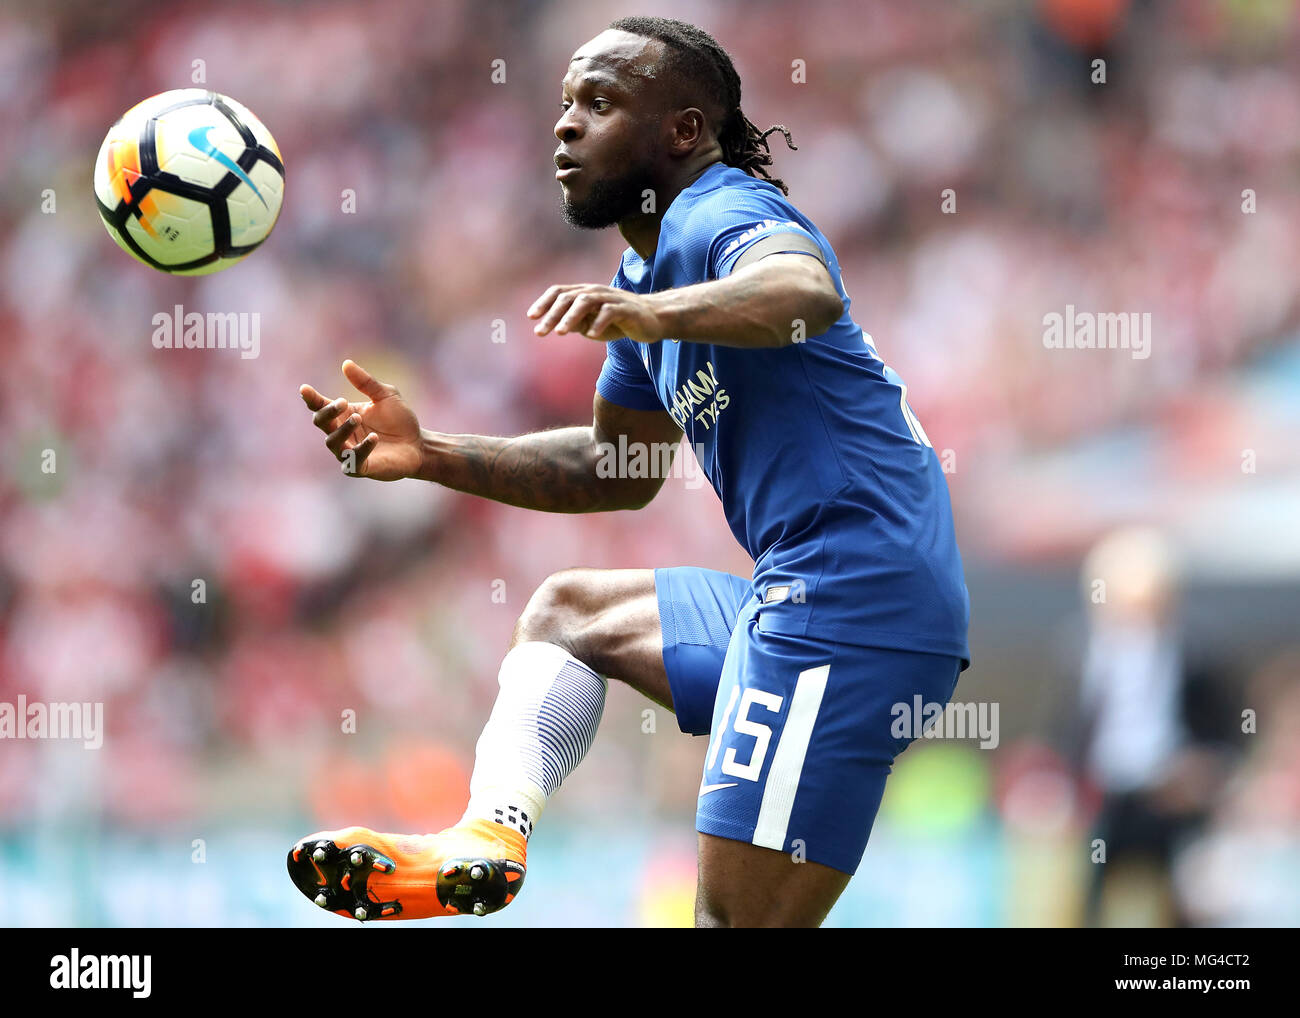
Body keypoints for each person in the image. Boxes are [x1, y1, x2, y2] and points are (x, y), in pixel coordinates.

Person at [287, 16, 969, 928]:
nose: (565, 125)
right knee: (570, 615)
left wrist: (652, 317)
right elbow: (621, 465)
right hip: (803, 596)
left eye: (600, 102)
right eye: (566, 103)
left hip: (852, 603)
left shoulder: (721, 213)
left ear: (684, 131)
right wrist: (434, 456)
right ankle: (485, 838)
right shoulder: (647, 272)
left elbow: (805, 293)